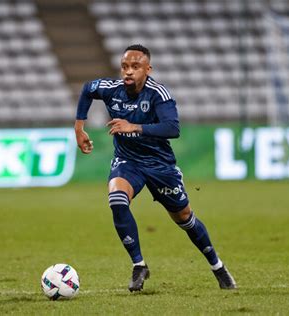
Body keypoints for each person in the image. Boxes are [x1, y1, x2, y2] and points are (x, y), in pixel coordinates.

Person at [74, 44, 236, 291]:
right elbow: (87, 90)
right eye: (125, 66)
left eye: (135, 67)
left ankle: (217, 266)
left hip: (160, 166)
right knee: (117, 199)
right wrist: (79, 127)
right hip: (128, 162)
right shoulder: (111, 89)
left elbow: (173, 128)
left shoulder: (159, 94)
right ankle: (139, 265)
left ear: (147, 70)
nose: (128, 72)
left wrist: (134, 127)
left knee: (185, 219)